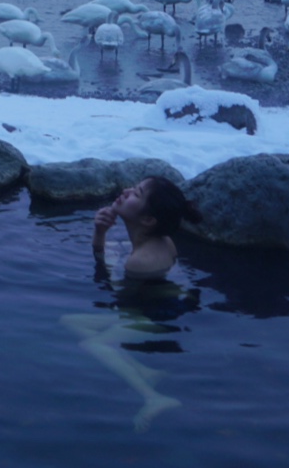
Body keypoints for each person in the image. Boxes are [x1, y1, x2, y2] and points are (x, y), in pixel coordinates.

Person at [63, 176, 203, 432]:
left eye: (136, 194)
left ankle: (152, 397)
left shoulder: (139, 261)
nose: (126, 191)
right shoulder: (163, 241)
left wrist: (102, 248)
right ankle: (142, 369)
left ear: (148, 220)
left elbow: (116, 294)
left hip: (157, 317)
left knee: (93, 344)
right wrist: (100, 232)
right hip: (167, 307)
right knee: (70, 322)